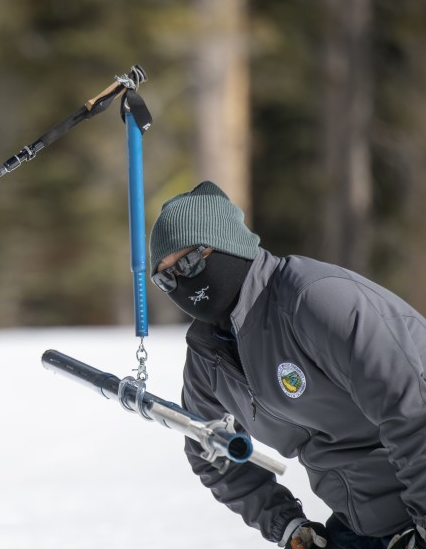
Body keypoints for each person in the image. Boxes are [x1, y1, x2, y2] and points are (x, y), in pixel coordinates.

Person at [148, 181, 426, 549]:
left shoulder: (314, 300)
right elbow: (209, 450)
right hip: (364, 528)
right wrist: (287, 526)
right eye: (166, 276)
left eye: (189, 261)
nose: (182, 280)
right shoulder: (207, 354)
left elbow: (413, 412)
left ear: (229, 244)